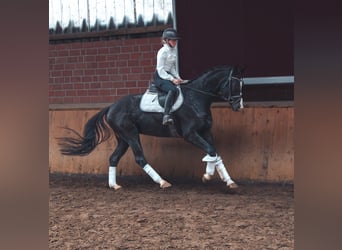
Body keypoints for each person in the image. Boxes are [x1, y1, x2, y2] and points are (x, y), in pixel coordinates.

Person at [153, 28, 184, 125]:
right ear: (166, 40)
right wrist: (172, 79)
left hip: (168, 74)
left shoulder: (173, 51)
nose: (175, 42)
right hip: (160, 76)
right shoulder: (162, 52)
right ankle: (166, 115)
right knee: (173, 90)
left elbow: (171, 68)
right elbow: (161, 69)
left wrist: (178, 77)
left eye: (176, 40)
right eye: (173, 40)